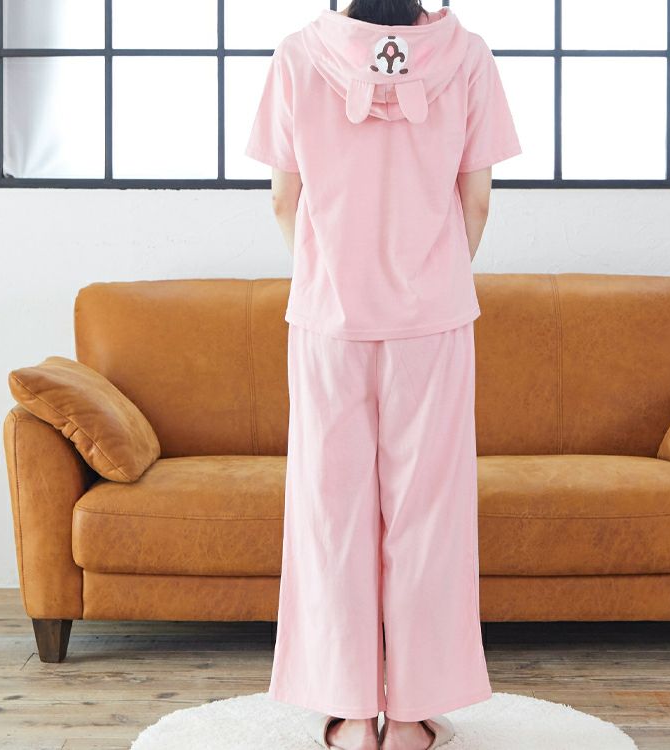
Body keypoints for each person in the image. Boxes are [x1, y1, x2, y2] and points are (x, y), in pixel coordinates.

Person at [244, 1, 522, 748]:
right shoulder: (467, 54)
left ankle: (349, 714)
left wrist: (329, 275)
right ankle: (409, 719)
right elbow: (477, 199)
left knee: (332, 514)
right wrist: (431, 279)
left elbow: (283, 198)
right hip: (432, 322)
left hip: (328, 320)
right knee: (427, 516)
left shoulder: (299, 54)